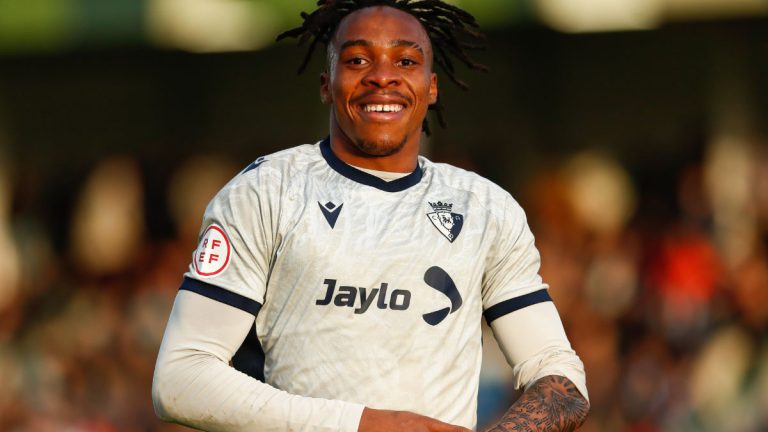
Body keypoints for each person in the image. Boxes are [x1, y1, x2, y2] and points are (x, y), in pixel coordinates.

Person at [152, 1, 589, 431]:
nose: (383, 76)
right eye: (359, 59)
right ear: (327, 84)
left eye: (405, 60)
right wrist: (365, 424)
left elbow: (562, 382)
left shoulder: (485, 209)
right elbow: (180, 380)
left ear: (432, 87)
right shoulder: (266, 191)